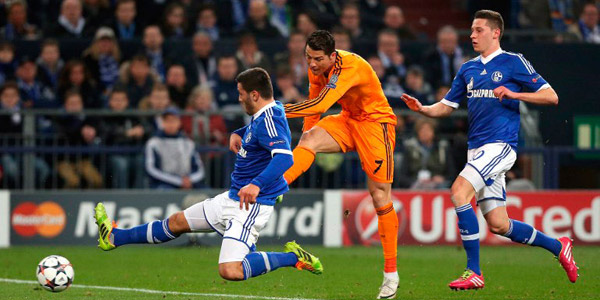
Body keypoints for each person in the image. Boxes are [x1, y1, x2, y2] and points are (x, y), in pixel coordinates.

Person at [401, 10, 578, 290]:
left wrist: (515, 94)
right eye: (471, 30)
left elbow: (551, 96)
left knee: (459, 191)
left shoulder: (513, 62)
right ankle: (559, 246)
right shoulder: (468, 69)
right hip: (477, 151)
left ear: (496, 33)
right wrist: (423, 109)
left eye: (479, 30)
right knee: (498, 224)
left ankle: (474, 271)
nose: (472, 35)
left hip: (500, 146)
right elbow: (447, 106)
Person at [94, 67, 323, 282]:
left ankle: (294, 258)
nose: (239, 98)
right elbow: (260, 134)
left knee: (231, 270)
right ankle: (114, 237)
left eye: (241, 94)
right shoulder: (264, 114)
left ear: (254, 95)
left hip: (251, 204)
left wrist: (257, 184)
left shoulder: (271, 118)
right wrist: (239, 132)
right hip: (233, 198)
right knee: (177, 222)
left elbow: (284, 158)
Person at [282, 30, 398, 299]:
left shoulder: (351, 66)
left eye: (318, 59)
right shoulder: (316, 68)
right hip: (348, 119)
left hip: (375, 124)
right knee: (309, 139)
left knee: (379, 195)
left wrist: (278, 109)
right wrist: (303, 143)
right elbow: (314, 110)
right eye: (308, 57)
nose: (312, 64)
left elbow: (322, 102)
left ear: (332, 56)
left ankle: (391, 276)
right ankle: (277, 187)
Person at [144, 107, 205, 189]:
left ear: (179, 122)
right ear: (162, 123)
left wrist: (190, 180)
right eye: (167, 121)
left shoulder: (188, 143)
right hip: (163, 184)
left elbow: (199, 169)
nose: (170, 124)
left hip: (189, 183)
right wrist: (178, 181)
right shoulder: (153, 143)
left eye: (173, 120)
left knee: (205, 193)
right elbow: (151, 169)